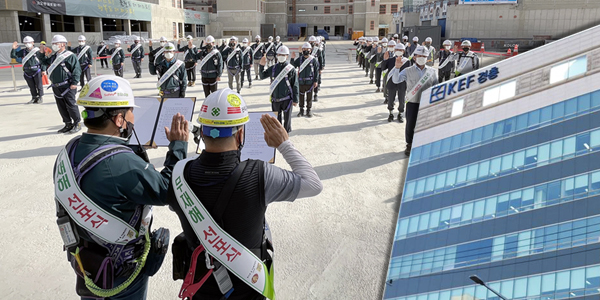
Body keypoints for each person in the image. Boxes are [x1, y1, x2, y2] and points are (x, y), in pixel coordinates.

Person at [168, 88, 322, 300]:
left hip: (201, 289)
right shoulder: (260, 174)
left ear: (202, 132)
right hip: (249, 289)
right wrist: (284, 144)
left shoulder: (179, 175)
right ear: (241, 133)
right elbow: (313, 184)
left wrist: (175, 148)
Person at [53, 75, 188, 300]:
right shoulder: (122, 162)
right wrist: (178, 146)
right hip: (121, 271)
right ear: (118, 120)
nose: (133, 117)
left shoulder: (70, 149)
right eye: (130, 112)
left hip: (86, 261)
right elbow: (166, 191)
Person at [390, 46, 439, 156]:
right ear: (414, 57)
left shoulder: (432, 71)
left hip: (427, 103)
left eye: (424, 56)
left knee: (425, 124)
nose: (421, 58)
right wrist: (397, 68)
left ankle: (423, 144)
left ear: (427, 58)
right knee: (411, 124)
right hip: (412, 102)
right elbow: (396, 80)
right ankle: (410, 144)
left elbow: (436, 87)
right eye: (419, 56)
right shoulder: (408, 71)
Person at [42, 34, 82, 134]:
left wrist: (74, 82)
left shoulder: (70, 56)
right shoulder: (54, 56)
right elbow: (43, 62)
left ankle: (77, 123)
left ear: (63, 44)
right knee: (61, 106)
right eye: (53, 44)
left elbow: (76, 70)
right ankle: (68, 124)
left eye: (56, 43)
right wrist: (42, 53)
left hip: (68, 85)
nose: (54, 45)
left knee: (71, 105)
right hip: (56, 86)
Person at [259, 46, 299, 133]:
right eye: (279, 54)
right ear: (277, 55)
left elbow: (295, 85)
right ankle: (279, 135)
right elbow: (262, 76)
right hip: (275, 99)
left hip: (287, 99)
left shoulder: (290, 69)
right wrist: (261, 66)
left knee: (287, 120)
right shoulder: (273, 68)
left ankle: (286, 134)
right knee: (277, 120)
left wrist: (295, 99)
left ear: (287, 56)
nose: (281, 56)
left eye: (283, 55)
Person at [11, 36, 46, 104]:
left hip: (36, 70)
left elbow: (43, 60)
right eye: (26, 43)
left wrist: (43, 70)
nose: (28, 44)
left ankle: (40, 97)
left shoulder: (37, 51)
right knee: (31, 86)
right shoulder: (23, 51)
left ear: (33, 42)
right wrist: (13, 49)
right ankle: (34, 97)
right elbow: (13, 56)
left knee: (39, 85)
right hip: (27, 71)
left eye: (29, 42)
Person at [291, 42, 320, 118]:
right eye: (304, 49)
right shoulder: (300, 59)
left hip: (310, 82)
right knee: (301, 96)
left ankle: (309, 110)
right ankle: (301, 110)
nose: (306, 51)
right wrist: (292, 58)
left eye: (307, 49)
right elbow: (292, 67)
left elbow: (316, 71)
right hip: (300, 82)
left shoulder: (313, 60)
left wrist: (316, 81)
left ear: (310, 50)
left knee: (309, 97)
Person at [385, 43, 410, 123]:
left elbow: (409, 73)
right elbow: (383, 68)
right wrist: (385, 60)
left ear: (403, 51)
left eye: (401, 50)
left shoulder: (407, 61)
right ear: (395, 50)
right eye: (397, 50)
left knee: (401, 100)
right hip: (392, 83)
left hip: (402, 84)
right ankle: (391, 113)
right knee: (390, 99)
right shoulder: (390, 59)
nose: (399, 51)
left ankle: (400, 114)